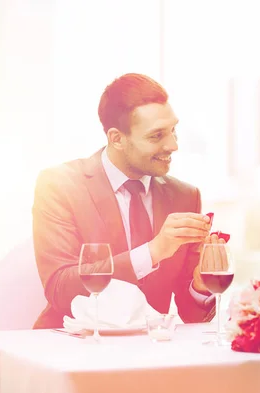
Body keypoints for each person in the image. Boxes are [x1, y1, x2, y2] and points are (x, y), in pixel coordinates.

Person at [32, 73, 217, 329]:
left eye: (173, 130)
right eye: (157, 136)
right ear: (116, 138)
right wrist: (153, 252)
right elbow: (60, 288)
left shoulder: (186, 196)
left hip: (149, 353)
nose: (173, 145)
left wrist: (199, 285)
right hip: (70, 347)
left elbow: (192, 317)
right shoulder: (60, 185)